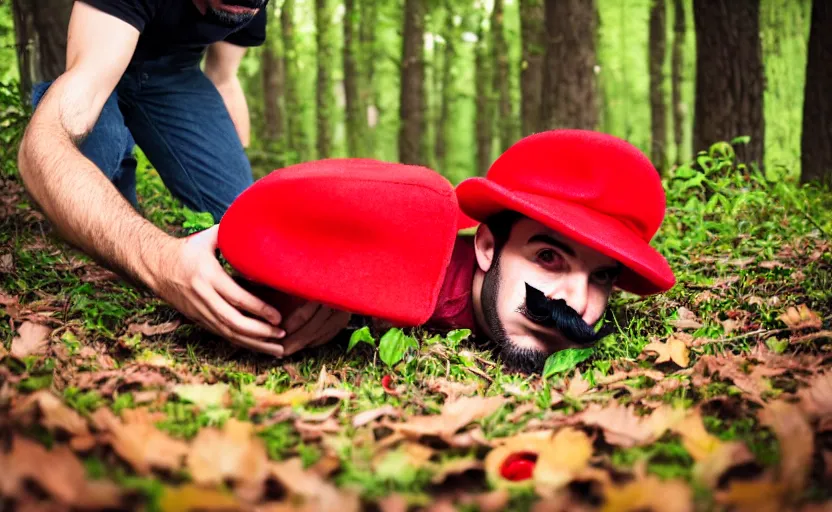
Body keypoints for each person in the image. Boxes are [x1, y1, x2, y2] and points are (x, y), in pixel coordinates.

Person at [16, 0, 331, 358]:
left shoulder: (252, 7)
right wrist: (162, 261)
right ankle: (117, 161)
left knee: (245, 218)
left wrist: (237, 173)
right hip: (100, 64)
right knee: (85, 191)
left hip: (175, 78)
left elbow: (224, 80)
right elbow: (41, 143)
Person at [219, 130, 677, 372]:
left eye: (601, 277)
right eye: (548, 258)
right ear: (485, 247)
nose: (576, 303)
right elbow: (260, 231)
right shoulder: (403, 249)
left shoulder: (520, 306)